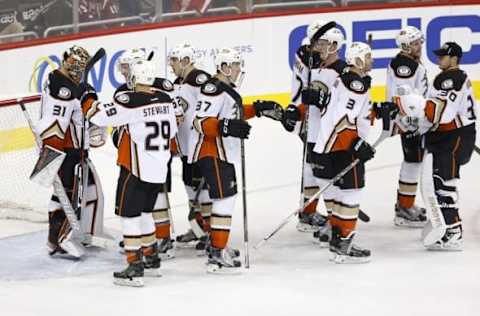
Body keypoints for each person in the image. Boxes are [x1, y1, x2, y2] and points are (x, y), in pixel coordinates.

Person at [81, 59, 178, 286]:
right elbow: (172, 131)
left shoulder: (131, 101)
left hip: (136, 170)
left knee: (130, 217)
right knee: (145, 214)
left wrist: (87, 96)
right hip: (159, 171)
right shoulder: (166, 99)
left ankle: (135, 267)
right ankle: (151, 259)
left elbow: (97, 116)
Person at [189, 47, 281, 273]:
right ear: (225, 67)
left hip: (222, 153)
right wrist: (226, 127)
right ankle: (217, 255)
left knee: (224, 200)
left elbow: (231, 116)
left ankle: (218, 247)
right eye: (236, 65)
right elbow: (200, 122)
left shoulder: (224, 89)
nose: (240, 70)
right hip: (212, 153)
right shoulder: (212, 89)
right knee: (224, 201)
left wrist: (257, 109)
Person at [395, 42, 476, 250]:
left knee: (443, 182)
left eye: (443, 56)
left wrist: (415, 104)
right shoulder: (450, 77)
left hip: (452, 137)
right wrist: (416, 122)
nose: (439, 59)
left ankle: (453, 231)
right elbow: (435, 115)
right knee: (437, 181)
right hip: (448, 136)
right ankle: (444, 222)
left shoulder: (451, 79)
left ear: (454, 59)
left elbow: (444, 115)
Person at [34, 45, 106, 258]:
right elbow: (56, 124)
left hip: (69, 150)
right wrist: (53, 158)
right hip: (66, 151)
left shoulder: (61, 81)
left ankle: (53, 240)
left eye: (81, 66)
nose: (78, 69)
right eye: (75, 64)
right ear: (66, 61)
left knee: (64, 193)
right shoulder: (63, 89)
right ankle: (63, 238)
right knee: (70, 195)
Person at [311, 42, 375, 263]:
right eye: (367, 57)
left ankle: (338, 240)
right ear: (357, 60)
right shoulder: (354, 83)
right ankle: (345, 243)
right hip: (343, 146)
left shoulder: (345, 78)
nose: (371, 61)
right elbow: (342, 119)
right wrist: (356, 144)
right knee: (351, 192)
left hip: (335, 145)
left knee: (342, 193)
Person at [114, 48, 180, 260]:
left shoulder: (157, 88)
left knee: (153, 199)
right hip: (155, 149)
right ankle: (149, 243)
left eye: (127, 66)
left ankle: (162, 238)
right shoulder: (129, 91)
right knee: (148, 202)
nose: (124, 71)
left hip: (147, 154)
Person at [282, 19, 348, 234]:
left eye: (322, 43)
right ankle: (316, 215)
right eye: (315, 43)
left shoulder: (339, 70)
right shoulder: (309, 58)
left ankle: (326, 216)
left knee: (317, 169)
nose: (316, 47)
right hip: (310, 122)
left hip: (328, 128)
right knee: (314, 168)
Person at [167, 43, 214, 253]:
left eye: (174, 60)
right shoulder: (179, 82)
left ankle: (210, 232)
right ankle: (197, 228)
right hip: (186, 147)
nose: (171, 65)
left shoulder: (200, 79)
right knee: (190, 187)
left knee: (204, 192)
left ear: (186, 61)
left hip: (199, 146)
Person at [386, 26, 428, 228]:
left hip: (413, 119)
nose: (419, 46)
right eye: (414, 43)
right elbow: (403, 96)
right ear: (405, 46)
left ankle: (405, 204)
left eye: (420, 41)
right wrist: (411, 123)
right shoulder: (405, 66)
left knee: (414, 161)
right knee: (413, 162)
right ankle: (404, 208)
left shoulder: (408, 62)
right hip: (409, 121)